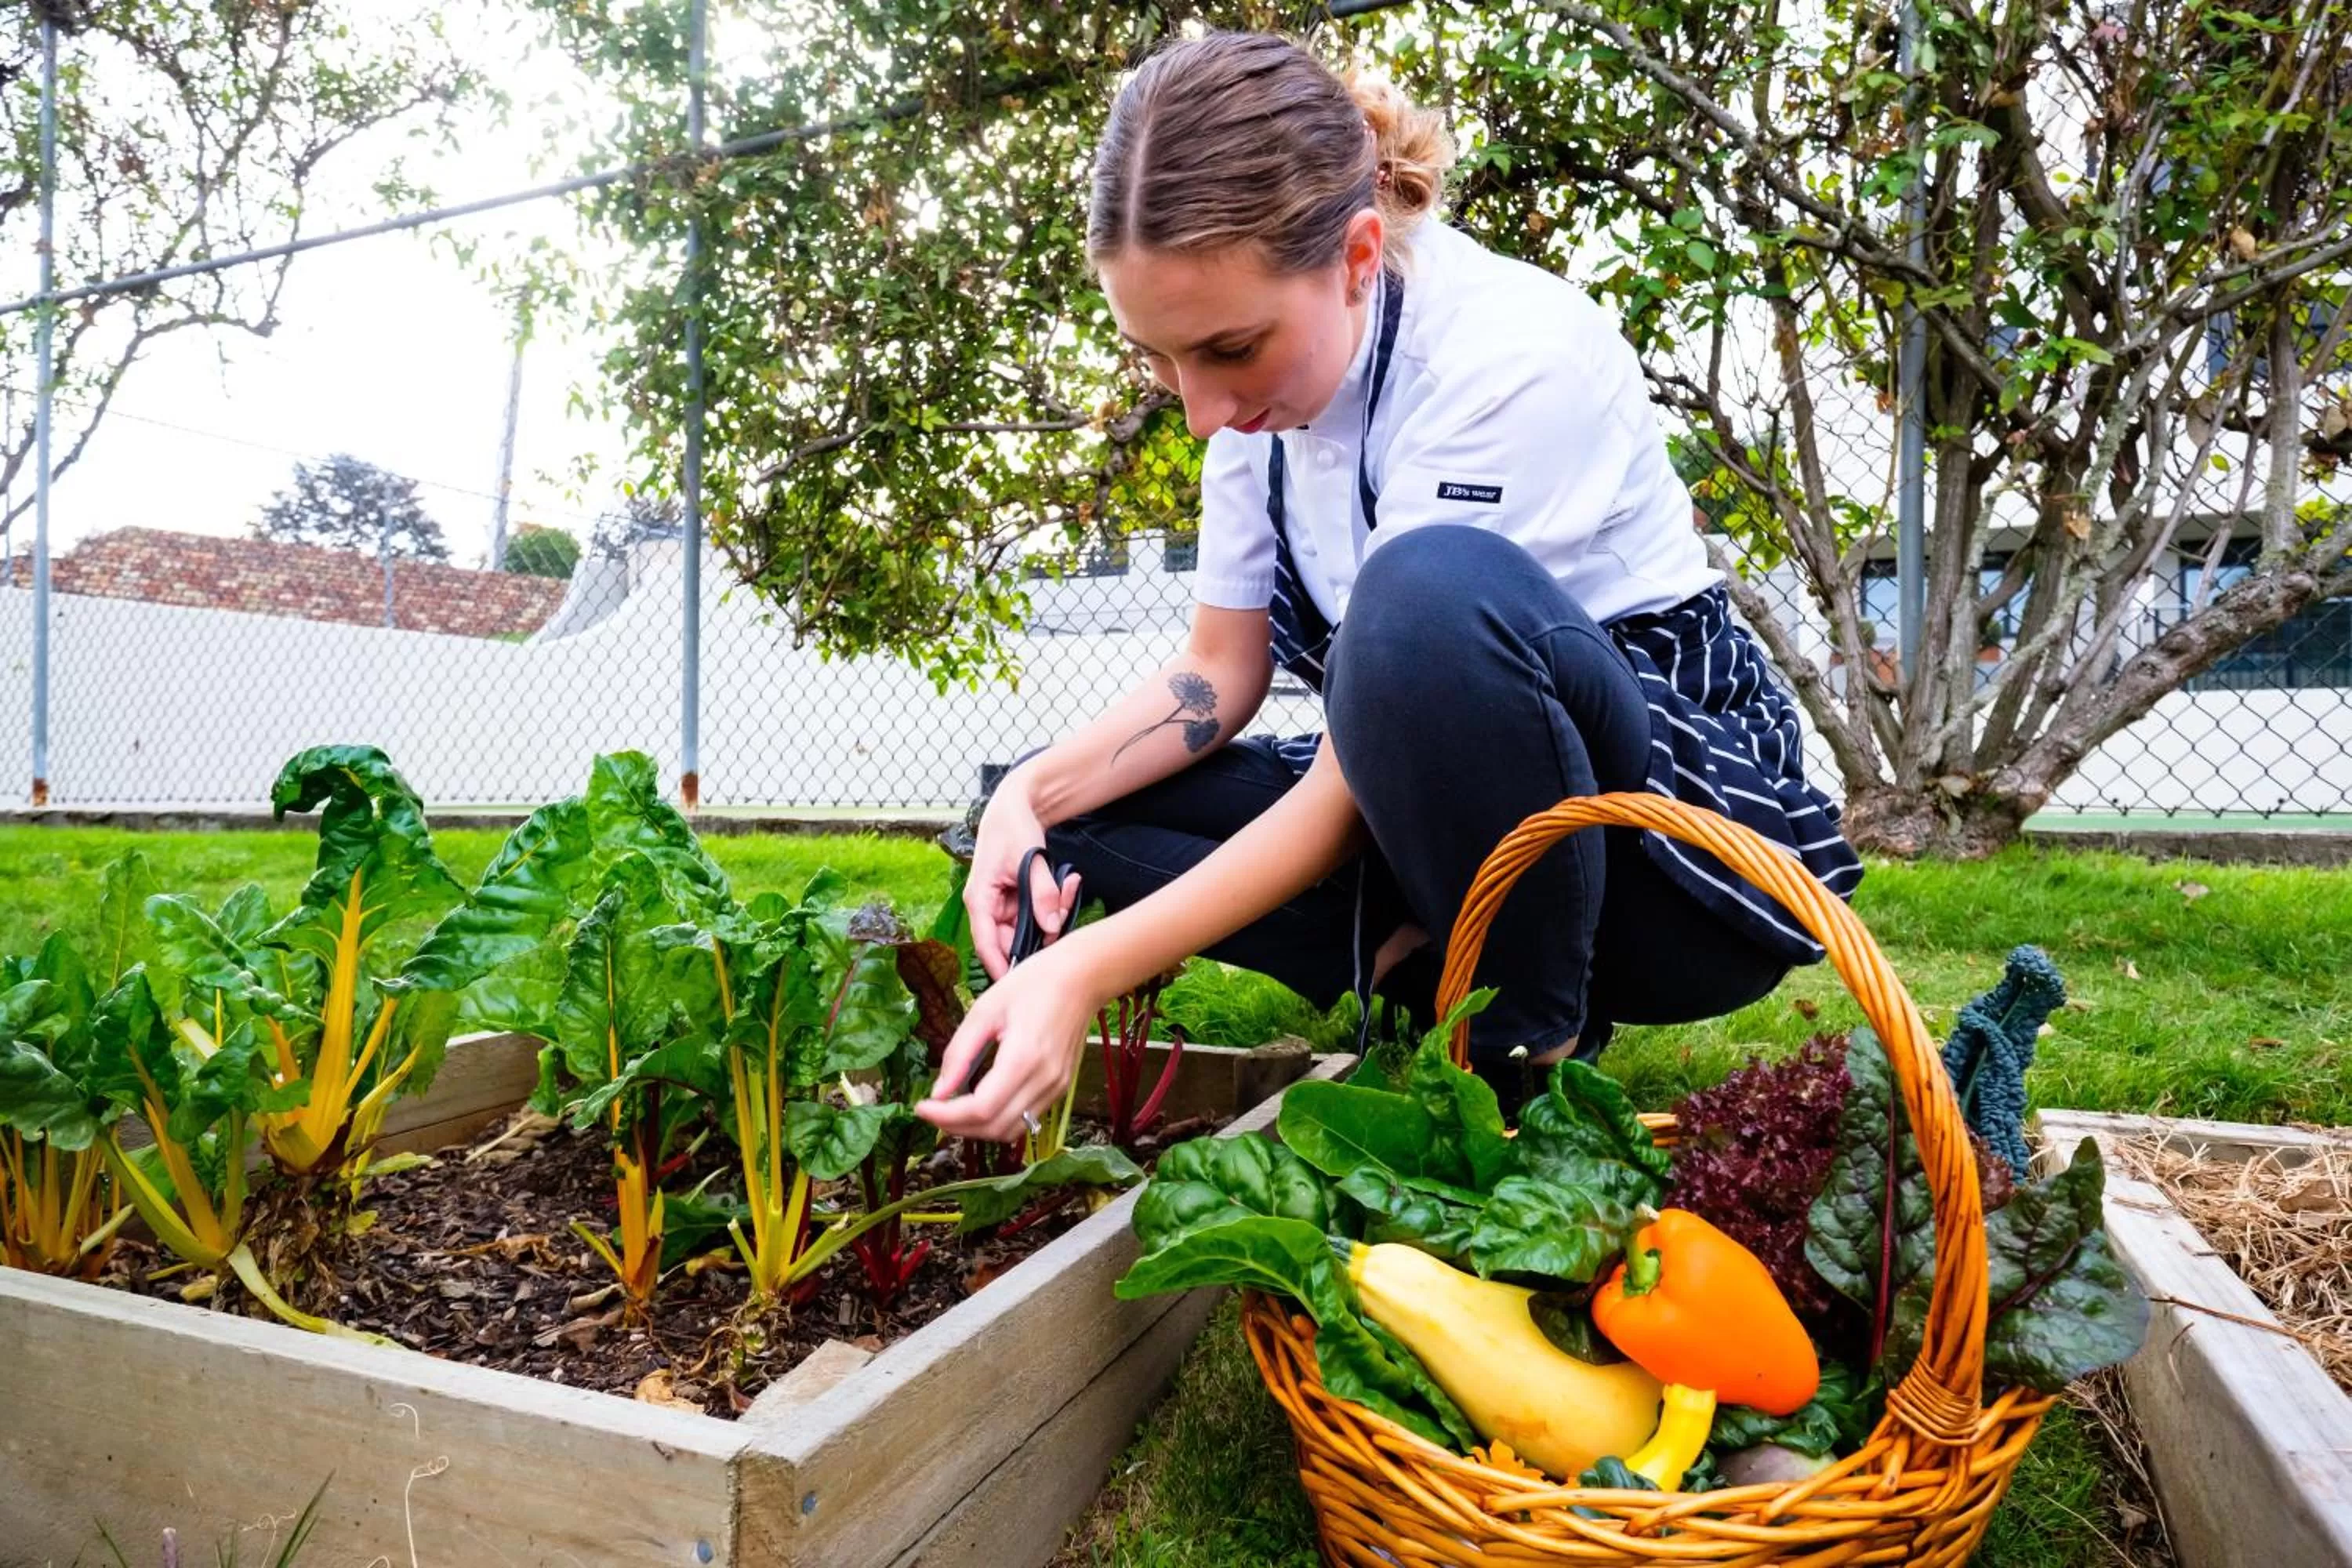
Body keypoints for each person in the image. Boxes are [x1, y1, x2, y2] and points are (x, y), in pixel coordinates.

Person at [915, 31, 1861, 1142]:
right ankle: (1416, 969)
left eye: (1227, 349)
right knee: (1053, 826)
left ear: (1359, 256)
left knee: (1421, 603)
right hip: (1423, 808)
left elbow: (1363, 759)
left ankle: (1525, 1045)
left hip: (1668, 861)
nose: (1198, 410)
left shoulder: (1510, 356)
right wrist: (1032, 794)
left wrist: (1086, 970)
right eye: (1159, 359)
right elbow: (1219, 674)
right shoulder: (1250, 403)